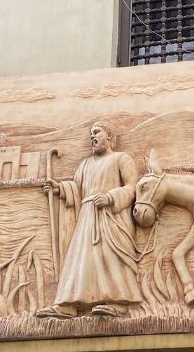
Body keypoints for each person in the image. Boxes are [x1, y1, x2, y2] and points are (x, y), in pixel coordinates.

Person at [36, 122, 142, 318]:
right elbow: (76, 189)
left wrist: (110, 197)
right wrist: (60, 188)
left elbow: (132, 187)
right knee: (81, 259)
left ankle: (117, 301)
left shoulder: (121, 159)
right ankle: (68, 304)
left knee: (110, 257)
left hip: (111, 216)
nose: (92, 138)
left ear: (109, 135)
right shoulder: (84, 165)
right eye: (90, 135)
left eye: (96, 133)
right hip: (86, 216)